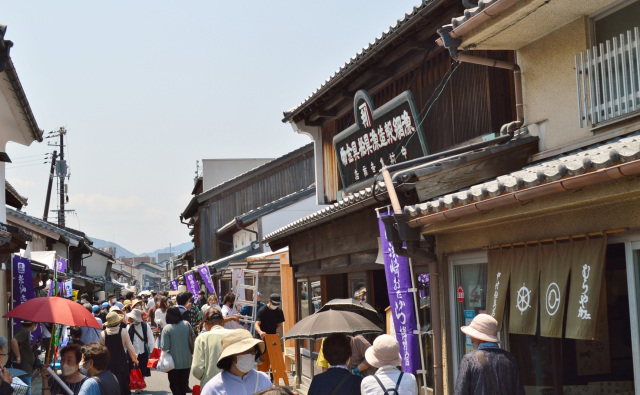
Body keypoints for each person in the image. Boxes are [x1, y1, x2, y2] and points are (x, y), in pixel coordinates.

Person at [454, 314, 524, 395]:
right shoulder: (510, 359)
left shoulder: (470, 360)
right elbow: (519, 391)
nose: (471, 338)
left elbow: (460, 391)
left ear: (478, 337)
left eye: (472, 335)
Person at [201, 329, 271, 395]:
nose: (250, 355)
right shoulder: (213, 387)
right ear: (231, 355)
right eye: (245, 351)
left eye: (252, 351)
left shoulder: (263, 380)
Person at [99, 312, 138, 395]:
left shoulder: (103, 334)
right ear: (118, 322)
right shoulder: (123, 331)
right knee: (123, 386)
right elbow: (130, 348)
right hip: (122, 363)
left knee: (110, 387)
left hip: (108, 364)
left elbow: (101, 351)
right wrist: (135, 359)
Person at [191, 307, 230, 388]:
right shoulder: (234, 335)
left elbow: (197, 370)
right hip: (233, 386)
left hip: (209, 386)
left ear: (205, 325)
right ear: (223, 322)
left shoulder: (202, 338)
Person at [161, 307, 193, 395]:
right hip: (187, 361)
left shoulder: (167, 328)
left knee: (174, 385)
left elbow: (165, 347)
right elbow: (192, 339)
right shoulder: (187, 324)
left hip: (172, 364)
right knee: (183, 385)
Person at [255, 294, 285, 373]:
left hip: (272, 338)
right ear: (269, 301)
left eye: (277, 304)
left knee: (275, 359)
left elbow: (279, 325)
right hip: (262, 338)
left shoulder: (279, 311)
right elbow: (257, 324)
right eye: (274, 303)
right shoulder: (263, 310)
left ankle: (274, 377)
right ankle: (261, 376)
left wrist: (277, 332)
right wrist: (260, 332)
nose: (275, 305)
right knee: (263, 361)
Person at [126, 310, 155, 382]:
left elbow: (151, 339)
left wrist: (152, 351)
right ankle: (137, 384)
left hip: (143, 351)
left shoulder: (145, 326)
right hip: (133, 352)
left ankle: (141, 384)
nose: (131, 320)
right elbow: (126, 341)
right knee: (133, 369)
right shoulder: (128, 327)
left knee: (143, 369)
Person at [10, 320, 38, 395]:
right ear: (33, 324)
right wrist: (18, 356)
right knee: (26, 390)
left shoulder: (26, 332)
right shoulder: (25, 331)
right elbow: (13, 341)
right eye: (36, 324)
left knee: (23, 390)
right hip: (24, 367)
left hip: (26, 367)